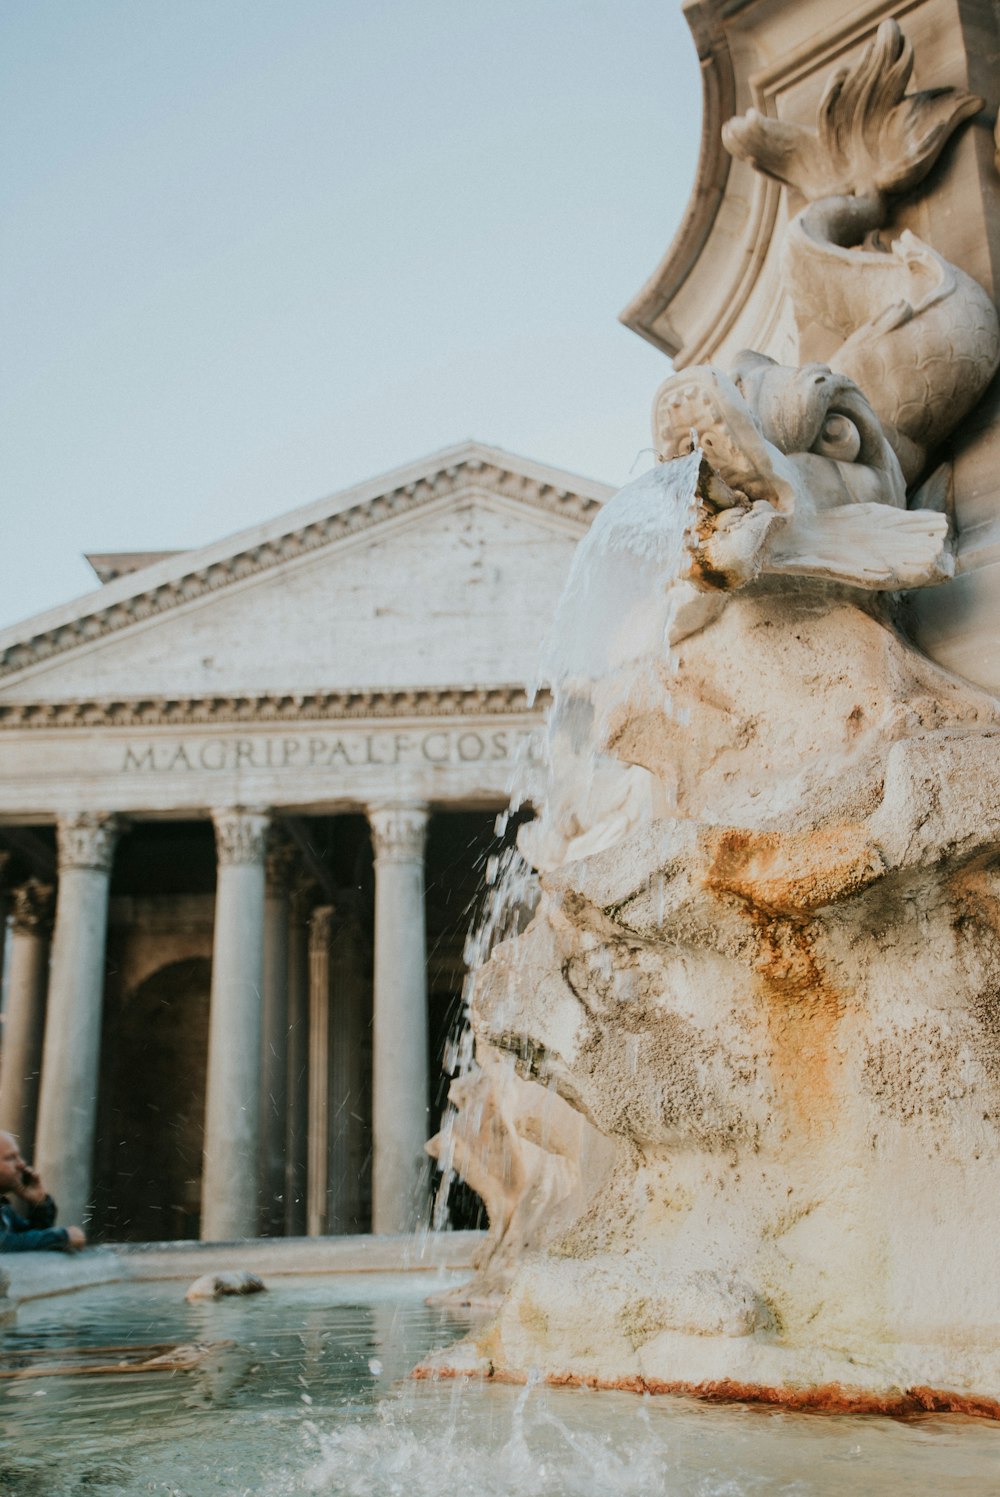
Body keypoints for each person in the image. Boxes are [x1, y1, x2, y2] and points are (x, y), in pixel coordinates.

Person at [0, 1132, 85, 1252]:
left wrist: (39, 1204)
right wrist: (62, 1236)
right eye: (10, 1158)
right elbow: (5, 1244)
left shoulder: (4, 1209)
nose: (21, 1164)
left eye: (18, 1157)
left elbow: (29, 1241)